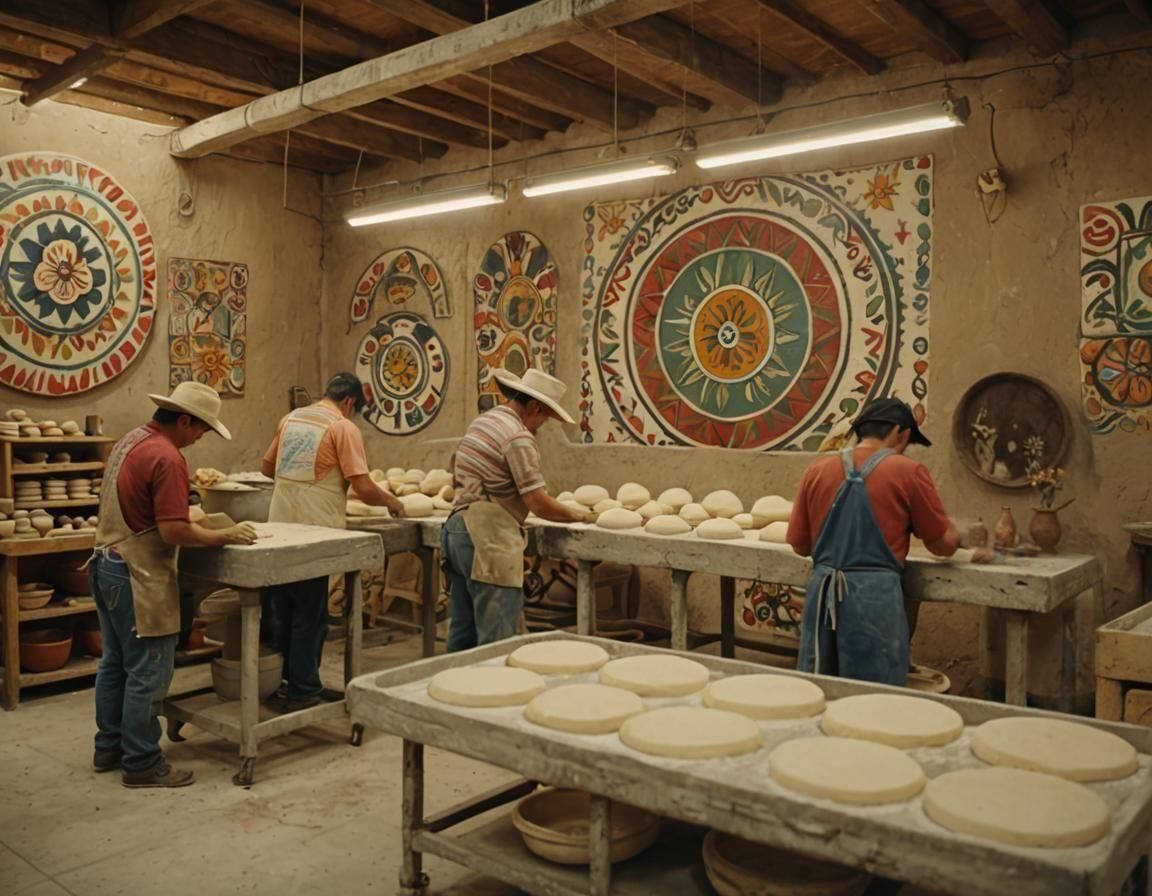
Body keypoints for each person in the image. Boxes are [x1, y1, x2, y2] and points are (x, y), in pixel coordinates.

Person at [91, 382, 258, 788]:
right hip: (138, 573)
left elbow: (149, 508)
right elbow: (171, 532)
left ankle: (109, 747)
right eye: (201, 429)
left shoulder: (133, 439)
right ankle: (143, 762)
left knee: (115, 664)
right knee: (148, 671)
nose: (200, 438)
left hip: (105, 563)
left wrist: (194, 517)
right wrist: (223, 535)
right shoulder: (168, 457)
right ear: (184, 420)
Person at [786, 398, 962, 687]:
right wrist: (958, 534)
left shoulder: (817, 471)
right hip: (873, 602)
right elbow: (940, 545)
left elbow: (799, 545)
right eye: (907, 441)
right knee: (874, 699)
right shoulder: (909, 472)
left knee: (819, 691)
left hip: (822, 598)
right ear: (900, 432)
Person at [260, 372, 404, 711]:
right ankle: (303, 689)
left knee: (282, 606)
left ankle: (280, 680)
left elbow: (268, 470)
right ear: (350, 401)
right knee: (310, 612)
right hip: (314, 532)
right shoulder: (343, 427)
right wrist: (392, 502)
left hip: (280, 526)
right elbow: (365, 488)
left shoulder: (290, 419)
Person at [443, 367, 594, 652]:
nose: (543, 425)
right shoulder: (518, 435)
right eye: (545, 418)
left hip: (456, 529)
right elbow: (536, 502)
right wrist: (579, 515)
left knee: (463, 635)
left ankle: (452, 692)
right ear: (534, 407)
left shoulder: (485, 421)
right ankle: (492, 695)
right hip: (487, 540)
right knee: (496, 641)